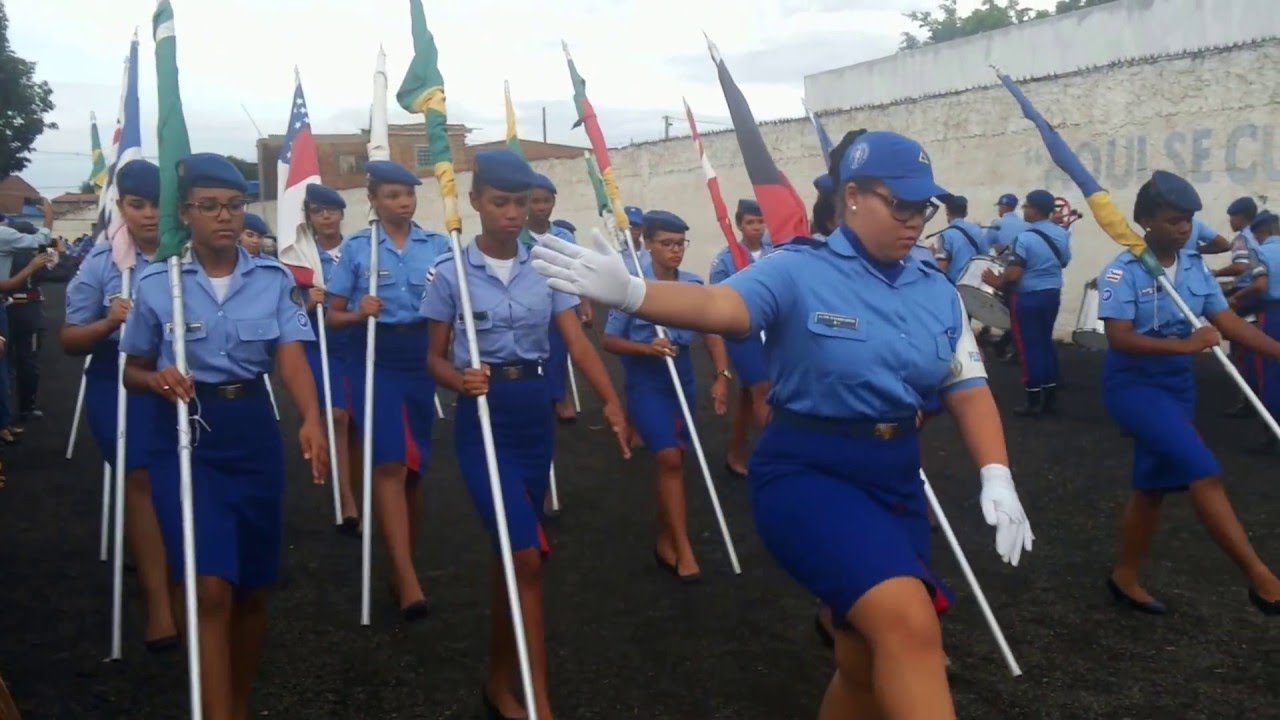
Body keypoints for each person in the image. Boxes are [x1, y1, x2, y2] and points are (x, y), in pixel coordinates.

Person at [531, 130, 1033, 719]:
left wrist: (997, 475)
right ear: (852, 196)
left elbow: (966, 386)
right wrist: (637, 293)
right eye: (898, 204)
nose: (914, 221)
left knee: (863, 664)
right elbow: (724, 307)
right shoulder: (797, 268)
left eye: (923, 207)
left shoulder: (936, 289)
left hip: (896, 479)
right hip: (810, 474)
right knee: (908, 627)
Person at [420, 149, 629, 720]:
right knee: (527, 557)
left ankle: (498, 680)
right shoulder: (450, 274)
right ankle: (540, 701)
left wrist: (611, 402)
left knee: (512, 559)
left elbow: (578, 341)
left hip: (532, 415)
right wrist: (459, 380)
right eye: (501, 202)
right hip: (481, 420)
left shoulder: (547, 265)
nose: (513, 213)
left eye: (521, 202)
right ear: (476, 202)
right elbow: (432, 359)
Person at [120, 153, 329, 719]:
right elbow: (131, 369)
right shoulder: (159, 284)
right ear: (185, 213)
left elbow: (291, 360)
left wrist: (312, 417)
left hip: (252, 434)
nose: (224, 217)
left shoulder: (272, 279)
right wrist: (155, 377)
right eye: (209, 206)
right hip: (185, 438)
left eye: (234, 206)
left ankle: (233, 701)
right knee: (210, 586)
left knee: (254, 588)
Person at [1097, 171, 1280, 617]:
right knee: (1202, 468)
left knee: (1151, 488)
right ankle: (1262, 579)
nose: (1184, 228)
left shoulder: (1195, 266)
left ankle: (1124, 576)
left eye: (1189, 220)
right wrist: (1185, 345)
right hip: (1135, 387)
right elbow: (1119, 337)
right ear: (1146, 221)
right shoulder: (1121, 271)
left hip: (1177, 386)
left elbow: (1230, 323)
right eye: (1175, 220)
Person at [325, 159, 450, 620]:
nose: (403, 202)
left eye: (408, 195)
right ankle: (409, 580)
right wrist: (359, 311)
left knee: (414, 470)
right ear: (373, 201)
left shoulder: (437, 246)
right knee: (390, 463)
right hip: (372, 360)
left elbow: (451, 305)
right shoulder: (358, 251)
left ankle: (402, 566)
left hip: (420, 358)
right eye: (393, 195)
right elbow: (331, 314)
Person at [61, 160, 177, 651]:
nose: (150, 215)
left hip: (180, 384)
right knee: (141, 480)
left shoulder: (188, 254)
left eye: (158, 204)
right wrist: (108, 323)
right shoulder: (103, 261)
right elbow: (69, 338)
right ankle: (159, 606)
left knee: (180, 483)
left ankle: (186, 575)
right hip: (120, 385)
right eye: (138, 205)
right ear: (121, 206)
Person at [606, 209, 729, 580]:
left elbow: (712, 331)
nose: (675, 251)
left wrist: (722, 376)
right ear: (648, 244)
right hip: (647, 381)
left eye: (680, 244)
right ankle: (684, 546)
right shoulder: (633, 286)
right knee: (669, 459)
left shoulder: (693, 285)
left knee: (677, 460)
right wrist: (646, 348)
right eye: (667, 244)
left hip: (684, 376)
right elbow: (610, 340)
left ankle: (665, 536)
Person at [298, 183, 360, 532]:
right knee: (337, 417)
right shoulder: (302, 260)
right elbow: (287, 312)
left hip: (357, 343)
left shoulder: (360, 251)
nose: (325, 217)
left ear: (340, 214)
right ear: (308, 217)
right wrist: (309, 303)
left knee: (358, 424)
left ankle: (361, 489)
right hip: (322, 347)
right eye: (317, 211)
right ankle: (347, 500)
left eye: (331, 211)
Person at [983, 189, 1071, 416]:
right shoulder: (1061, 234)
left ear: (1034, 209)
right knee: (1044, 343)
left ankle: (1033, 400)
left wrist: (995, 281)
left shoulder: (1025, 238)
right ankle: (1050, 398)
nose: (1024, 210)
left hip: (1028, 297)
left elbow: (1013, 275)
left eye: (1026, 206)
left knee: (1028, 348)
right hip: (1052, 294)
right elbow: (1065, 261)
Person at [709, 199, 772, 478]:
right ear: (739, 225)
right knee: (762, 389)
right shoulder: (725, 259)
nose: (756, 227)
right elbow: (716, 301)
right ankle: (782, 453)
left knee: (748, 397)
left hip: (771, 330)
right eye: (750, 222)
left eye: (760, 221)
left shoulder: (776, 252)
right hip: (742, 333)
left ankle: (735, 452)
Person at [524, 173, 591, 424]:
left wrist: (584, 303)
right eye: (535, 201)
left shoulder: (565, 236)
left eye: (546, 201)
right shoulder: (517, 236)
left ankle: (560, 396)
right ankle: (540, 397)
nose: (541, 207)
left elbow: (577, 272)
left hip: (562, 303)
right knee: (531, 352)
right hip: (528, 304)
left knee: (559, 351)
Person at [3, 199, 55, 423]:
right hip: (27, 311)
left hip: (9, 309)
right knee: (27, 362)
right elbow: (59, 272)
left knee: (8, 364)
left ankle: (7, 415)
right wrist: (49, 218)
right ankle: (26, 407)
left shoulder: (9, 249)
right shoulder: (36, 252)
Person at [1214, 197, 1264, 418]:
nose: (1230, 221)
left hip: (1245, 296)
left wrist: (1215, 273)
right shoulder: (1263, 236)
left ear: (1240, 217)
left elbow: (1241, 266)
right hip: (1262, 298)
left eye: (1232, 217)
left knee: (1240, 347)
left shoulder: (1242, 238)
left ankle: (1247, 399)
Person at [932, 195, 986, 283]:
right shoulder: (978, 231)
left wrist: (931, 257)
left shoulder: (946, 235)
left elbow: (941, 268)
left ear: (947, 212)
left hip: (955, 286)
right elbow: (985, 256)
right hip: (974, 285)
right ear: (966, 213)